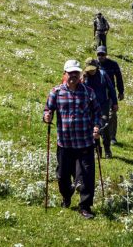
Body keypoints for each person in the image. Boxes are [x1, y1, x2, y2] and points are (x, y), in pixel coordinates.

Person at [44, 59, 101, 219]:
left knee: (86, 176)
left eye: (76, 73)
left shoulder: (88, 92)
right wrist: (47, 116)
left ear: (80, 74)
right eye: (70, 73)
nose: (73, 76)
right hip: (65, 144)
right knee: (62, 176)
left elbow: (97, 112)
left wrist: (97, 127)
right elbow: (48, 109)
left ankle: (85, 207)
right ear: (65, 74)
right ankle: (66, 196)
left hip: (85, 143)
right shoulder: (56, 92)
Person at [82, 58, 118, 158]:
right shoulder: (83, 78)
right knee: (93, 127)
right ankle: (97, 150)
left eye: (93, 69)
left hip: (103, 105)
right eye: (89, 69)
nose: (91, 71)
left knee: (103, 126)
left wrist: (114, 103)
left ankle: (107, 150)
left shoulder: (103, 74)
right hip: (90, 106)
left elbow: (111, 89)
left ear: (97, 67)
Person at [96, 45, 124, 145]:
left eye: (102, 54)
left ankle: (112, 137)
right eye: (99, 54)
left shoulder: (113, 64)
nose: (101, 56)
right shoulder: (94, 64)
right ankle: (100, 135)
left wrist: (121, 92)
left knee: (112, 115)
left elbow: (119, 78)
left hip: (111, 93)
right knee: (101, 116)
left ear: (106, 55)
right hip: (98, 94)